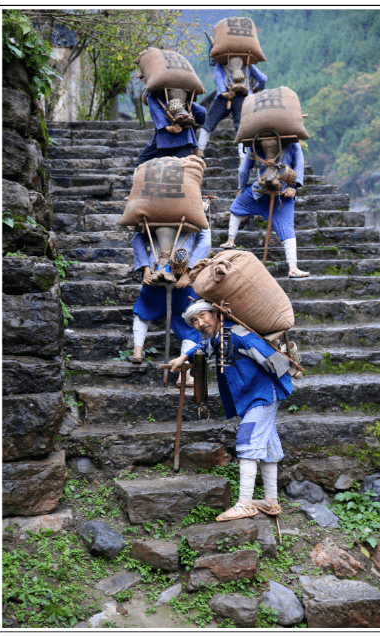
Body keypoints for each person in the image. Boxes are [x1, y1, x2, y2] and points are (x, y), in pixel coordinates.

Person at [168, 299, 293, 520]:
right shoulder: (215, 338)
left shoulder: (236, 333)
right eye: (194, 321)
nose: (200, 323)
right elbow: (202, 349)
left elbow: (264, 353)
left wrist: (288, 371)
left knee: (246, 439)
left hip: (261, 395)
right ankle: (270, 501)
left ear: (215, 314)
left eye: (203, 316)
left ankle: (244, 503)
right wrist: (183, 357)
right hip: (249, 397)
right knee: (268, 445)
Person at [131, 229, 211, 387]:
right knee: (191, 320)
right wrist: (189, 272)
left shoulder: (153, 207)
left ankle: (137, 349)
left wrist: (146, 268)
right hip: (182, 270)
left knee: (145, 305)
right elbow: (206, 241)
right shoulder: (195, 206)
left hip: (155, 269)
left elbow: (138, 237)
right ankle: (184, 375)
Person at [220, 140, 310, 278]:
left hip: (258, 192)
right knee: (287, 229)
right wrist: (293, 187)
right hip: (283, 194)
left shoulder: (255, 142)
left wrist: (243, 188)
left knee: (238, 205)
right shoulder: (292, 143)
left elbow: (243, 170)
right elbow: (299, 163)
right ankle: (293, 268)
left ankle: (230, 241)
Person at [197, 59, 267, 161]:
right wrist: (257, 90)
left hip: (224, 98)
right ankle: (242, 158)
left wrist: (224, 92)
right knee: (241, 126)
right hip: (242, 97)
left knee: (208, 121)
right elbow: (263, 79)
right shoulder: (247, 64)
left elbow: (218, 77)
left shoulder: (221, 64)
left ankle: (200, 151)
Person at [134, 92, 206, 171]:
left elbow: (156, 111)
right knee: (180, 170)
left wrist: (167, 127)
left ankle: (137, 181)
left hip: (164, 139)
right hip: (185, 140)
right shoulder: (184, 94)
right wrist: (197, 122)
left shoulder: (152, 94)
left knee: (141, 162)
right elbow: (202, 111)